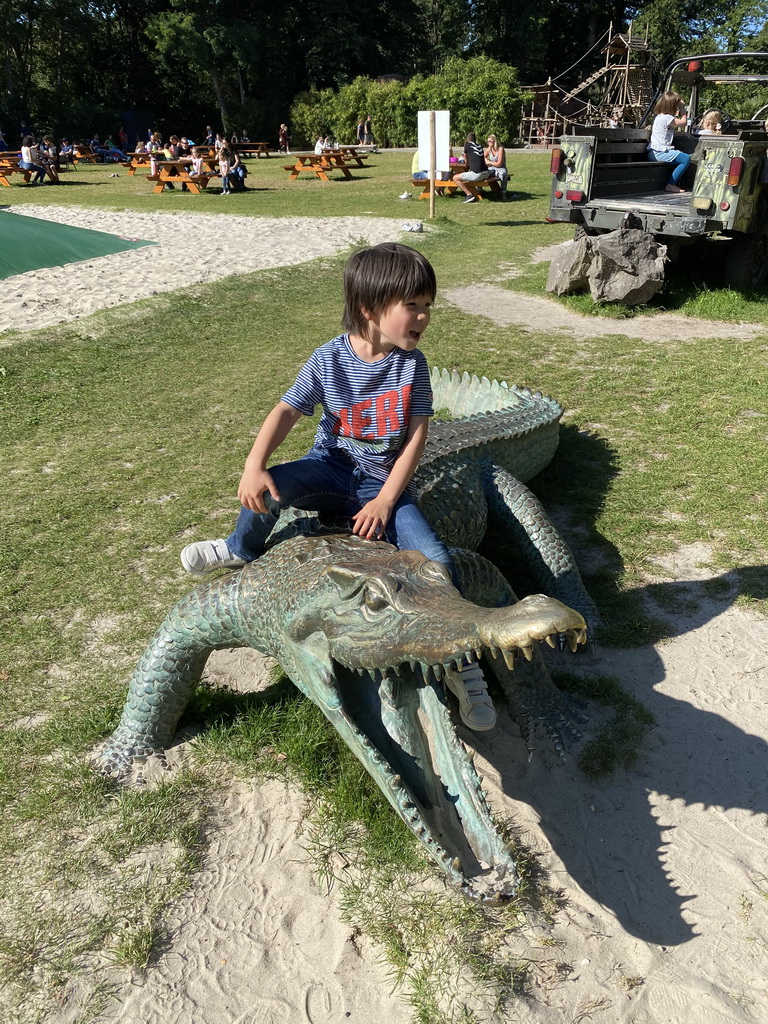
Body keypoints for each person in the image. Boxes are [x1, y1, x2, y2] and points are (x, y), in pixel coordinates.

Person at [180, 242, 497, 731]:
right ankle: (238, 548)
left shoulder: (412, 365)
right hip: (329, 466)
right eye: (411, 305)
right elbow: (287, 409)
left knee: (438, 559)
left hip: (380, 481)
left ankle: (462, 664)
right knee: (270, 491)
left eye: (427, 305)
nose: (423, 316)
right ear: (370, 309)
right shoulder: (328, 358)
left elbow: (416, 437)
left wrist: (388, 499)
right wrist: (254, 464)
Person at [647, 90, 691, 194]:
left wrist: (683, 134)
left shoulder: (660, 117)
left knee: (679, 157)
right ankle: (670, 184)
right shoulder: (667, 118)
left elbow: (665, 133)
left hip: (654, 153)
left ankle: (671, 183)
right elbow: (684, 123)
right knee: (685, 159)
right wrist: (682, 108)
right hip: (660, 153)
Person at [453, 132, 490, 203]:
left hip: (477, 174)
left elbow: (465, 157)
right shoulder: (479, 146)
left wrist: (466, 163)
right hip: (486, 173)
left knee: (455, 178)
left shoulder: (467, 145)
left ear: (467, 139)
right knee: (467, 175)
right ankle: (478, 190)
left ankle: (469, 195)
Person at [484, 134, 509, 199]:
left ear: (494, 142)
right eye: (488, 141)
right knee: (482, 173)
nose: (488, 143)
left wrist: (489, 162)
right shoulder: (489, 149)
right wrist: (486, 160)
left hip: (501, 168)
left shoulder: (500, 149)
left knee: (503, 174)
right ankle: (479, 190)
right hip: (492, 168)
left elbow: (499, 164)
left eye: (490, 141)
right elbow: (482, 156)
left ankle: (503, 194)